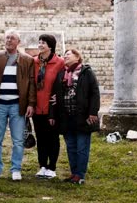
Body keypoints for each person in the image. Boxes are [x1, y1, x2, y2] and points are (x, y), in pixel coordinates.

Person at [0, 29, 36, 181]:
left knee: (18, 140)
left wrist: (30, 103)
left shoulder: (27, 60)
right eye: (7, 38)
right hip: (0, 105)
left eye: (12, 38)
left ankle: (16, 169)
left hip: (17, 106)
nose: (9, 40)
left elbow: (32, 83)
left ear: (18, 42)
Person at [49, 49, 100, 185]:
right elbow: (55, 97)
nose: (65, 56)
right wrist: (53, 114)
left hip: (83, 117)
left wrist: (93, 112)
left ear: (77, 57)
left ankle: (80, 175)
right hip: (66, 117)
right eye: (64, 55)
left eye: (68, 55)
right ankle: (74, 173)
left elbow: (95, 93)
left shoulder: (86, 72)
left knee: (82, 147)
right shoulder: (61, 74)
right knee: (71, 147)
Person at [32, 34, 64, 179]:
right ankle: (42, 166)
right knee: (41, 138)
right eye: (39, 42)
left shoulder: (60, 63)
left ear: (50, 46)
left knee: (53, 138)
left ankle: (52, 167)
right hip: (37, 107)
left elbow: (63, 83)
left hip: (52, 108)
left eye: (43, 42)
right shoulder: (34, 62)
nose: (40, 44)